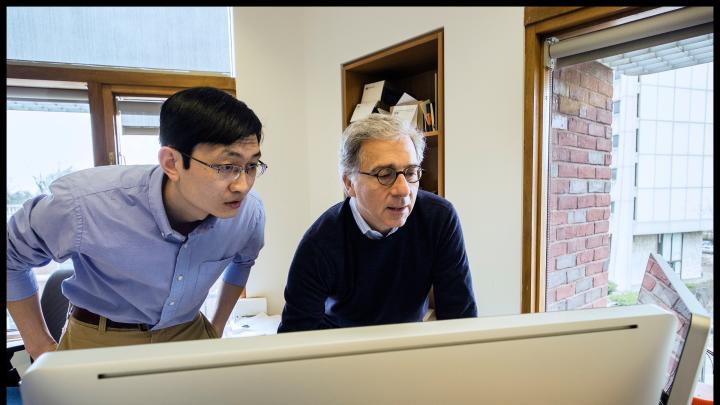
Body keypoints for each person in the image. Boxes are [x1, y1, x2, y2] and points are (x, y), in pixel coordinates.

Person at [7, 87, 268, 360]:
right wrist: (39, 347)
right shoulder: (85, 204)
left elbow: (243, 261)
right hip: (101, 339)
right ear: (172, 163)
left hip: (188, 333)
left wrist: (217, 326)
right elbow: (11, 257)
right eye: (227, 167)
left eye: (252, 166)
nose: (243, 185)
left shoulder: (248, 213)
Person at [278, 114, 476, 333]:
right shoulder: (320, 243)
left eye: (410, 172)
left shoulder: (438, 219)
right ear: (349, 183)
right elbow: (295, 336)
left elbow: (460, 318)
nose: (403, 190)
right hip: (342, 348)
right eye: (385, 174)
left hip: (408, 344)